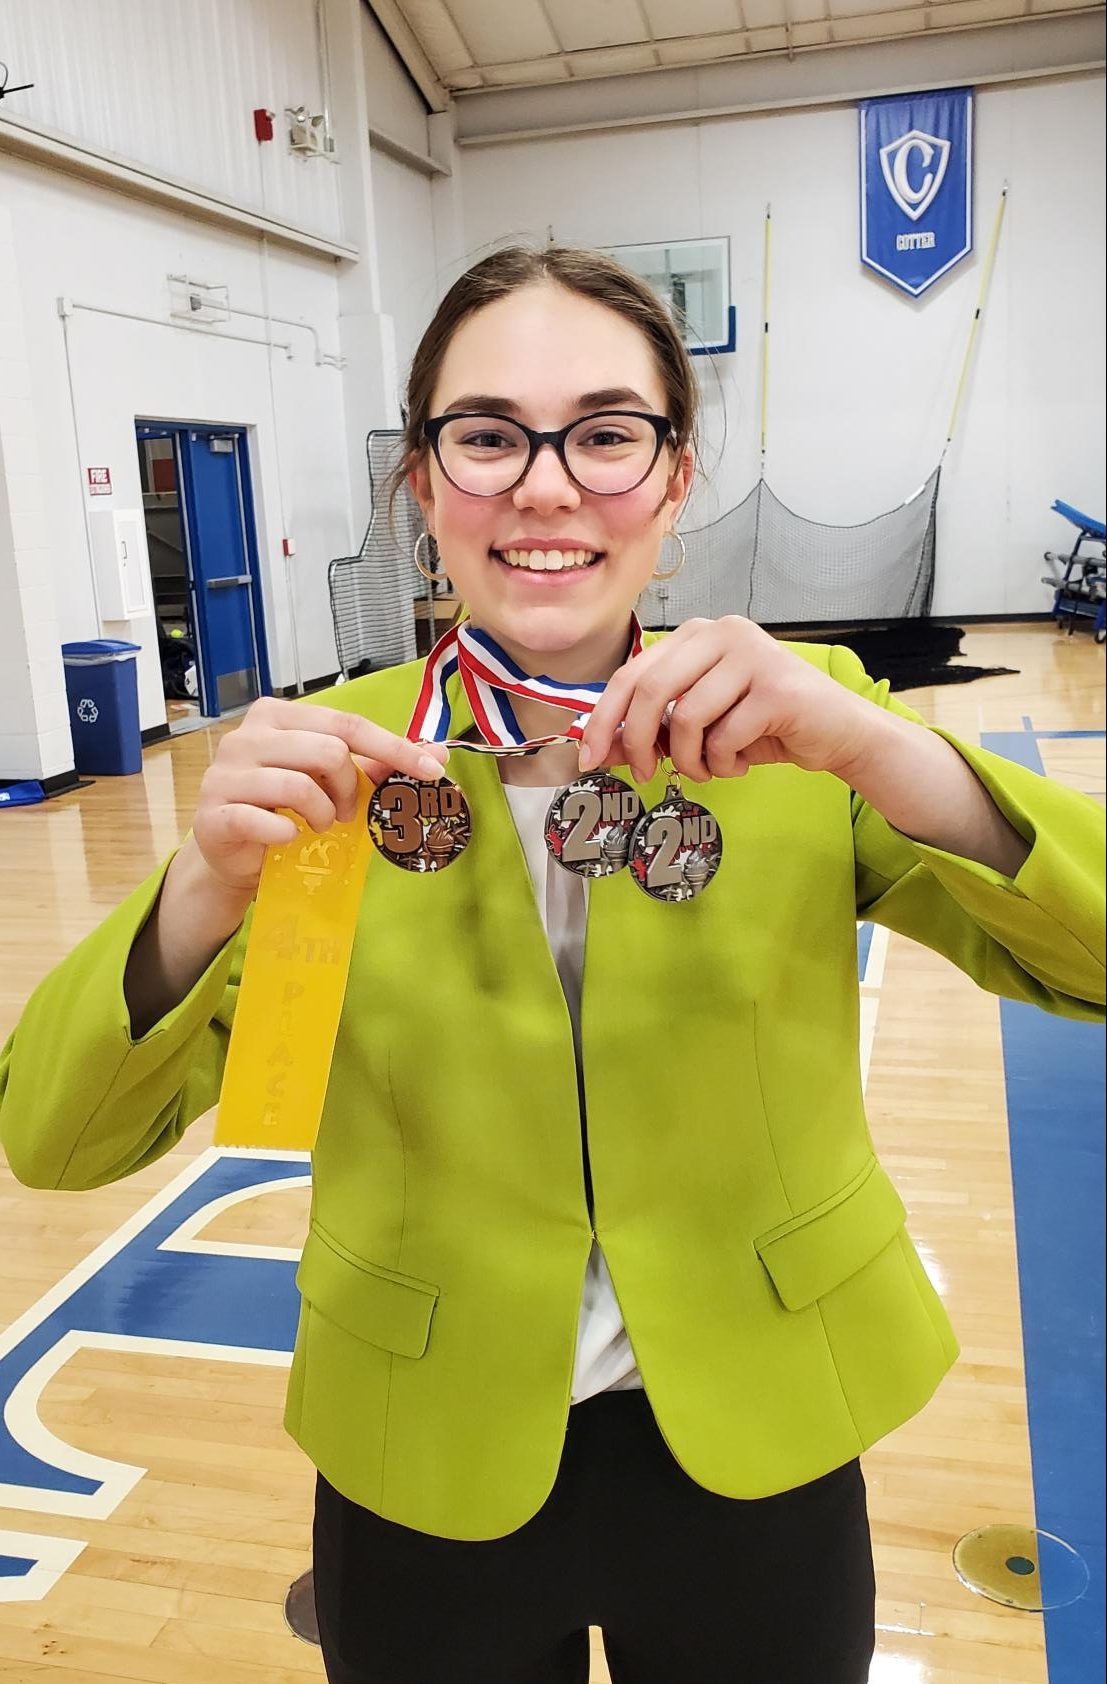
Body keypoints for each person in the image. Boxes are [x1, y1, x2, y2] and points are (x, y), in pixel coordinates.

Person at [1, 246, 1103, 1684]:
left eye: (604, 432)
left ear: (673, 477)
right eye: (487, 436)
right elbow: (53, 1135)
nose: (545, 484)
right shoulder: (330, 776)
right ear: (423, 485)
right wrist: (207, 888)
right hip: (424, 1447)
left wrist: (891, 757)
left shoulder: (802, 726)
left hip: (752, 1430)